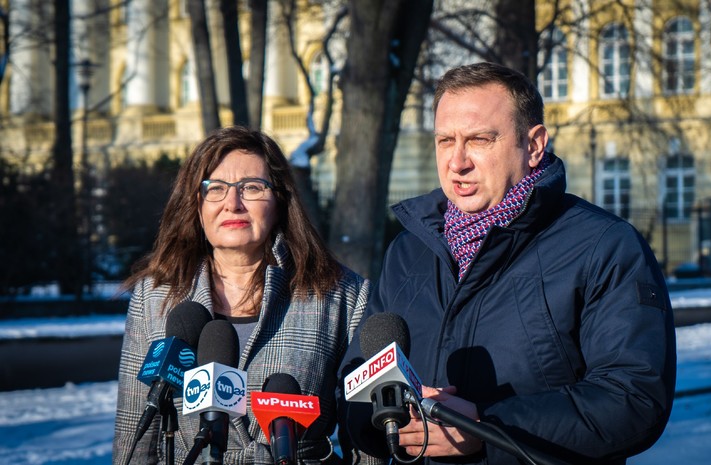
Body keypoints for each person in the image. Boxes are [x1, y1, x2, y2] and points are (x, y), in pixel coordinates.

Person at [338, 62, 676, 464]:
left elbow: (634, 398)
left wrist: (488, 429)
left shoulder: (605, 246)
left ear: (534, 145)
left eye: (479, 139)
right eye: (445, 140)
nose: (457, 161)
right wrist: (387, 418)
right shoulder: (408, 251)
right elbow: (355, 385)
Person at [113, 126, 371, 464]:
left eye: (251, 187)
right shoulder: (155, 296)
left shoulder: (340, 295)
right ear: (196, 204)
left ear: (280, 201)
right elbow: (135, 433)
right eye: (216, 188)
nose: (232, 204)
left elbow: (365, 442)